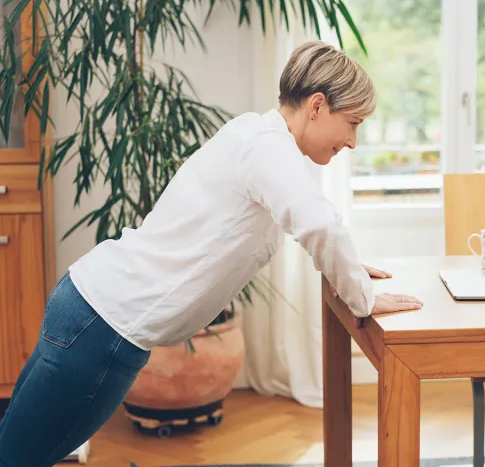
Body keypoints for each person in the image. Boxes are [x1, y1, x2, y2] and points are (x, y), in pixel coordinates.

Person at [0, 40, 423, 466]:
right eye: (352, 123)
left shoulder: (256, 134)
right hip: (102, 329)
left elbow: (297, 226)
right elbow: (321, 226)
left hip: (89, 310)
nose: (352, 141)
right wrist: (363, 299)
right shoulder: (267, 149)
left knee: (13, 449)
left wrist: (348, 269)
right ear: (316, 105)